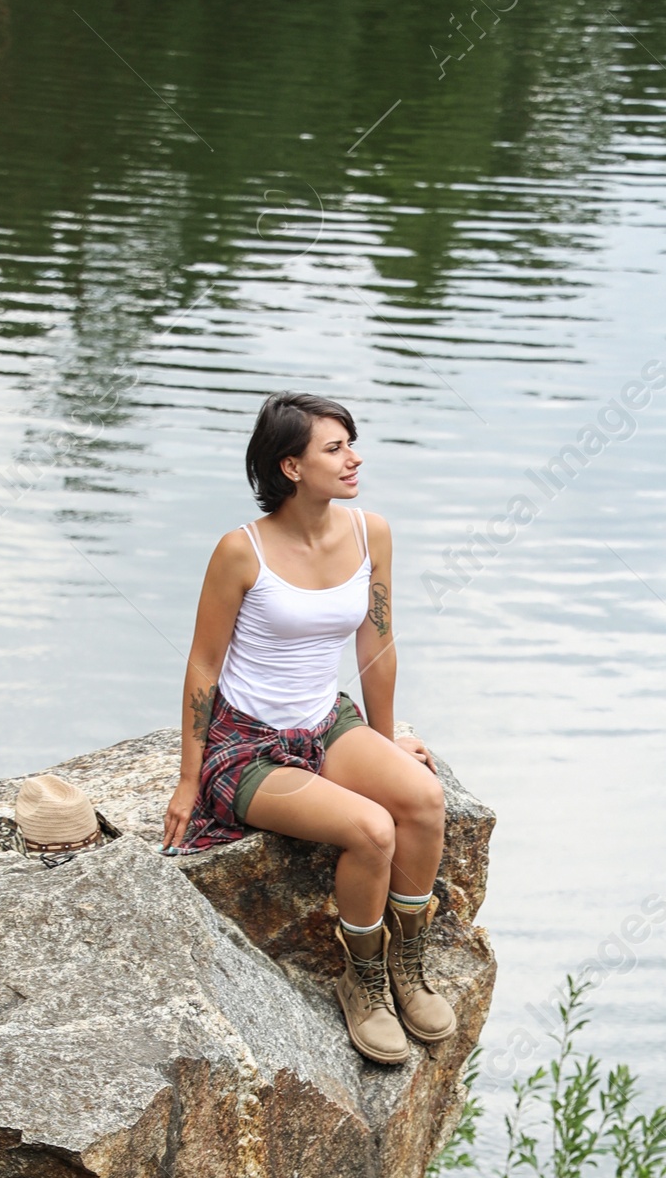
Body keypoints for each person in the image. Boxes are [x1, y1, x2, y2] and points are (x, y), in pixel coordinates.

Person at [162, 392, 455, 1066]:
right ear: (291, 467)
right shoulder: (241, 552)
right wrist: (187, 778)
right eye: (335, 448)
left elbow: (376, 646)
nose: (354, 458)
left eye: (351, 443)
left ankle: (406, 964)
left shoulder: (370, 532)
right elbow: (204, 664)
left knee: (423, 799)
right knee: (371, 829)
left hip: (326, 724)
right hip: (246, 746)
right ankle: (363, 979)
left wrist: (384, 742)